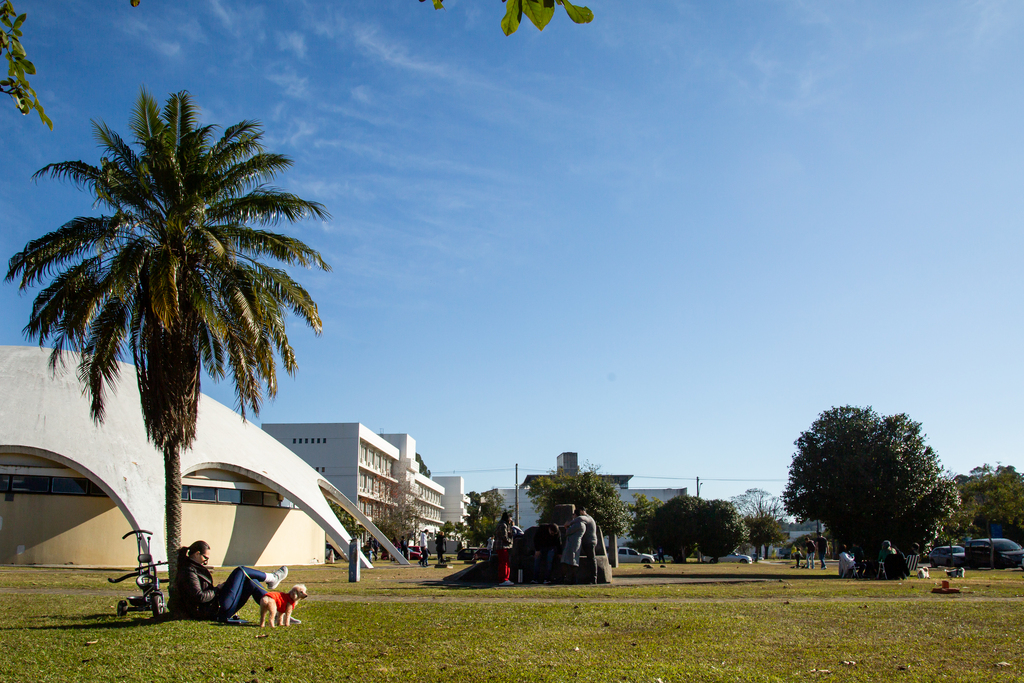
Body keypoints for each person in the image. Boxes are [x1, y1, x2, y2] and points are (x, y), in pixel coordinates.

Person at [176, 540, 289, 623]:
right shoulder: (188, 571)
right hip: (215, 611)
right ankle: (272, 578)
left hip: (216, 606)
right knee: (241, 571)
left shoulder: (193, 568)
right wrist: (218, 589)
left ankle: (279, 611)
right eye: (205, 557)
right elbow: (199, 597)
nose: (206, 561)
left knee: (251, 581)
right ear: (196, 554)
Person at [560, 509, 587, 584]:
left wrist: (566, 527)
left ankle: (572, 579)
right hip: (574, 542)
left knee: (572, 561)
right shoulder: (581, 524)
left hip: (573, 543)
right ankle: (572, 578)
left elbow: (568, 531)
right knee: (572, 560)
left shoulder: (578, 524)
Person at [576, 508, 598, 584]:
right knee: (590, 559)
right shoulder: (588, 519)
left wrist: (570, 522)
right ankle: (591, 577)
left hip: (590, 541)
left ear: (582, 511)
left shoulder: (588, 518)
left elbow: (580, 518)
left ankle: (594, 578)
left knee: (592, 559)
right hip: (588, 541)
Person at [494, 511, 514, 586]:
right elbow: (504, 536)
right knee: (504, 563)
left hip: (500, 546)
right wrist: (510, 541)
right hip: (503, 546)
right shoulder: (503, 525)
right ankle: (504, 579)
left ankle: (504, 578)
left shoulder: (501, 524)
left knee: (504, 563)